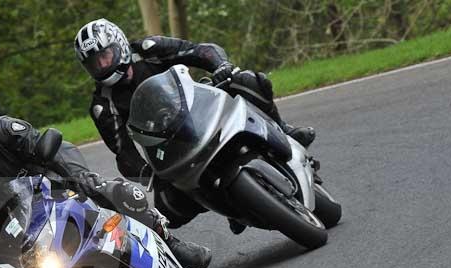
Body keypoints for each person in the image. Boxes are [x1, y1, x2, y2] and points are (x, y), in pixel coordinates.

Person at [0, 95, 212, 268]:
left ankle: (168, 241)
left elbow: (51, 146)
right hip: (23, 237)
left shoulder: (2, 131)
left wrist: (79, 177)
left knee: (118, 193)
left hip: (59, 192)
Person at [73, 18, 315, 232]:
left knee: (249, 81)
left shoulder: (149, 50)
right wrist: (149, 174)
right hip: (169, 148)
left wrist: (222, 66)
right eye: (95, 63)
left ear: (120, 45)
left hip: (201, 107)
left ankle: (283, 129)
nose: (103, 65)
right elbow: (123, 152)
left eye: (105, 56)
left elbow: (201, 51)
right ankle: (232, 206)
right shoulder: (103, 106)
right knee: (168, 208)